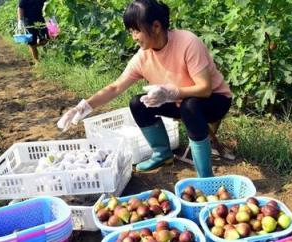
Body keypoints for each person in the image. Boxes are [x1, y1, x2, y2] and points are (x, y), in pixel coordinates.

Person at [57, 0, 232, 178]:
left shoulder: (187, 42)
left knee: (190, 106)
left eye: (136, 30)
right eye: (131, 31)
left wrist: (172, 92)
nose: (133, 37)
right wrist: (83, 107)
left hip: (214, 100)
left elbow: (205, 89)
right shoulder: (143, 57)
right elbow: (115, 87)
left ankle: (205, 175)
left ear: (156, 26)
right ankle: (162, 154)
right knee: (138, 104)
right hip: (179, 101)